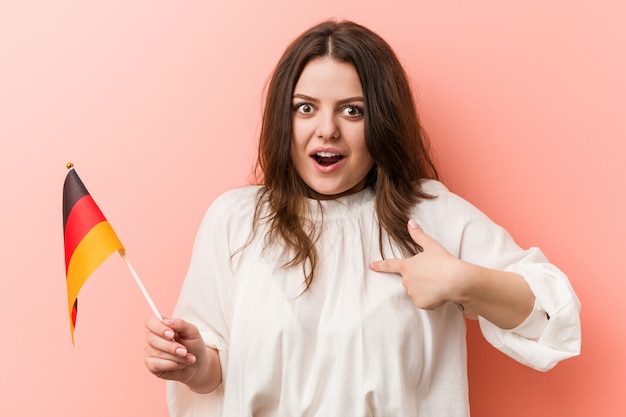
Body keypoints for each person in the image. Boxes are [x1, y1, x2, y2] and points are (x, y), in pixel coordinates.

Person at [144, 20, 581, 416]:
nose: (327, 129)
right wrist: (195, 364)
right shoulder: (236, 219)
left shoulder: (428, 213)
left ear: (382, 121)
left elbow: (552, 317)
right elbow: (215, 376)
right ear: (283, 117)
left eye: (352, 110)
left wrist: (463, 281)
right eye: (305, 107)